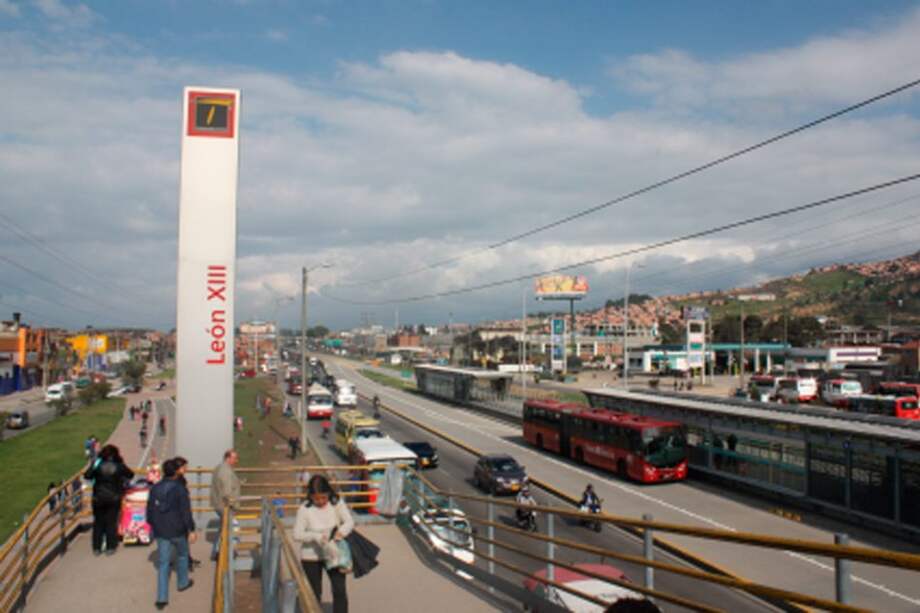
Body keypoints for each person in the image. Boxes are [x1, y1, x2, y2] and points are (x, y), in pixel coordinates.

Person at [293, 475, 354, 613]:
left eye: (323, 497)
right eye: (316, 499)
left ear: (329, 493)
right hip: (311, 556)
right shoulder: (304, 509)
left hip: (334, 552)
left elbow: (349, 521)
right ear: (310, 496)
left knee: (339, 589)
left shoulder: (336, 502)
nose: (320, 502)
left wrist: (341, 532)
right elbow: (297, 534)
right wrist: (316, 536)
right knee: (314, 593)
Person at [147, 459, 196, 610]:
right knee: (182, 555)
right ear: (176, 471)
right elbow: (186, 512)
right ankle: (182, 582)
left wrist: (153, 525)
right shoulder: (180, 488)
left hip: (161, 530)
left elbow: (149, 510)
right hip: (177, 529)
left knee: (163, 563)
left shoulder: (155, 488)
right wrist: (191, 529)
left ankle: (161, 598)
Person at [85, 444, 134, 556]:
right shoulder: (119, 465)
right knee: (111, 522)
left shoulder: (98, 464)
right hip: (114, 498)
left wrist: (94, 465)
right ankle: (110, 547)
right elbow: (130, 474)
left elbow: (87, 476)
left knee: (98, 522)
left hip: (98, 497)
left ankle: (97, 547)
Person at [209, 449, 241, 561]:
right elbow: (227, 491)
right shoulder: (225, 471)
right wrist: (232, 504)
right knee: (234, 527)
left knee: (224, 527)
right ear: (228, 458)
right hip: (225, 505)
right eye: (235, 458)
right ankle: (230, 552)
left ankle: (218, 551)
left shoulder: (220, 467)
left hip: (219, 503)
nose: (236, 461)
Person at [174, 457, 202, 569]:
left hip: (179, 512)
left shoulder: (180, 478)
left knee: (183, 539)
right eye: (185, 466)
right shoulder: (178, 480)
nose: (186, 468)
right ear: (179, 467)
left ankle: (187, 559)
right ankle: (185, 561)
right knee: (182, 539)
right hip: (180, 513)